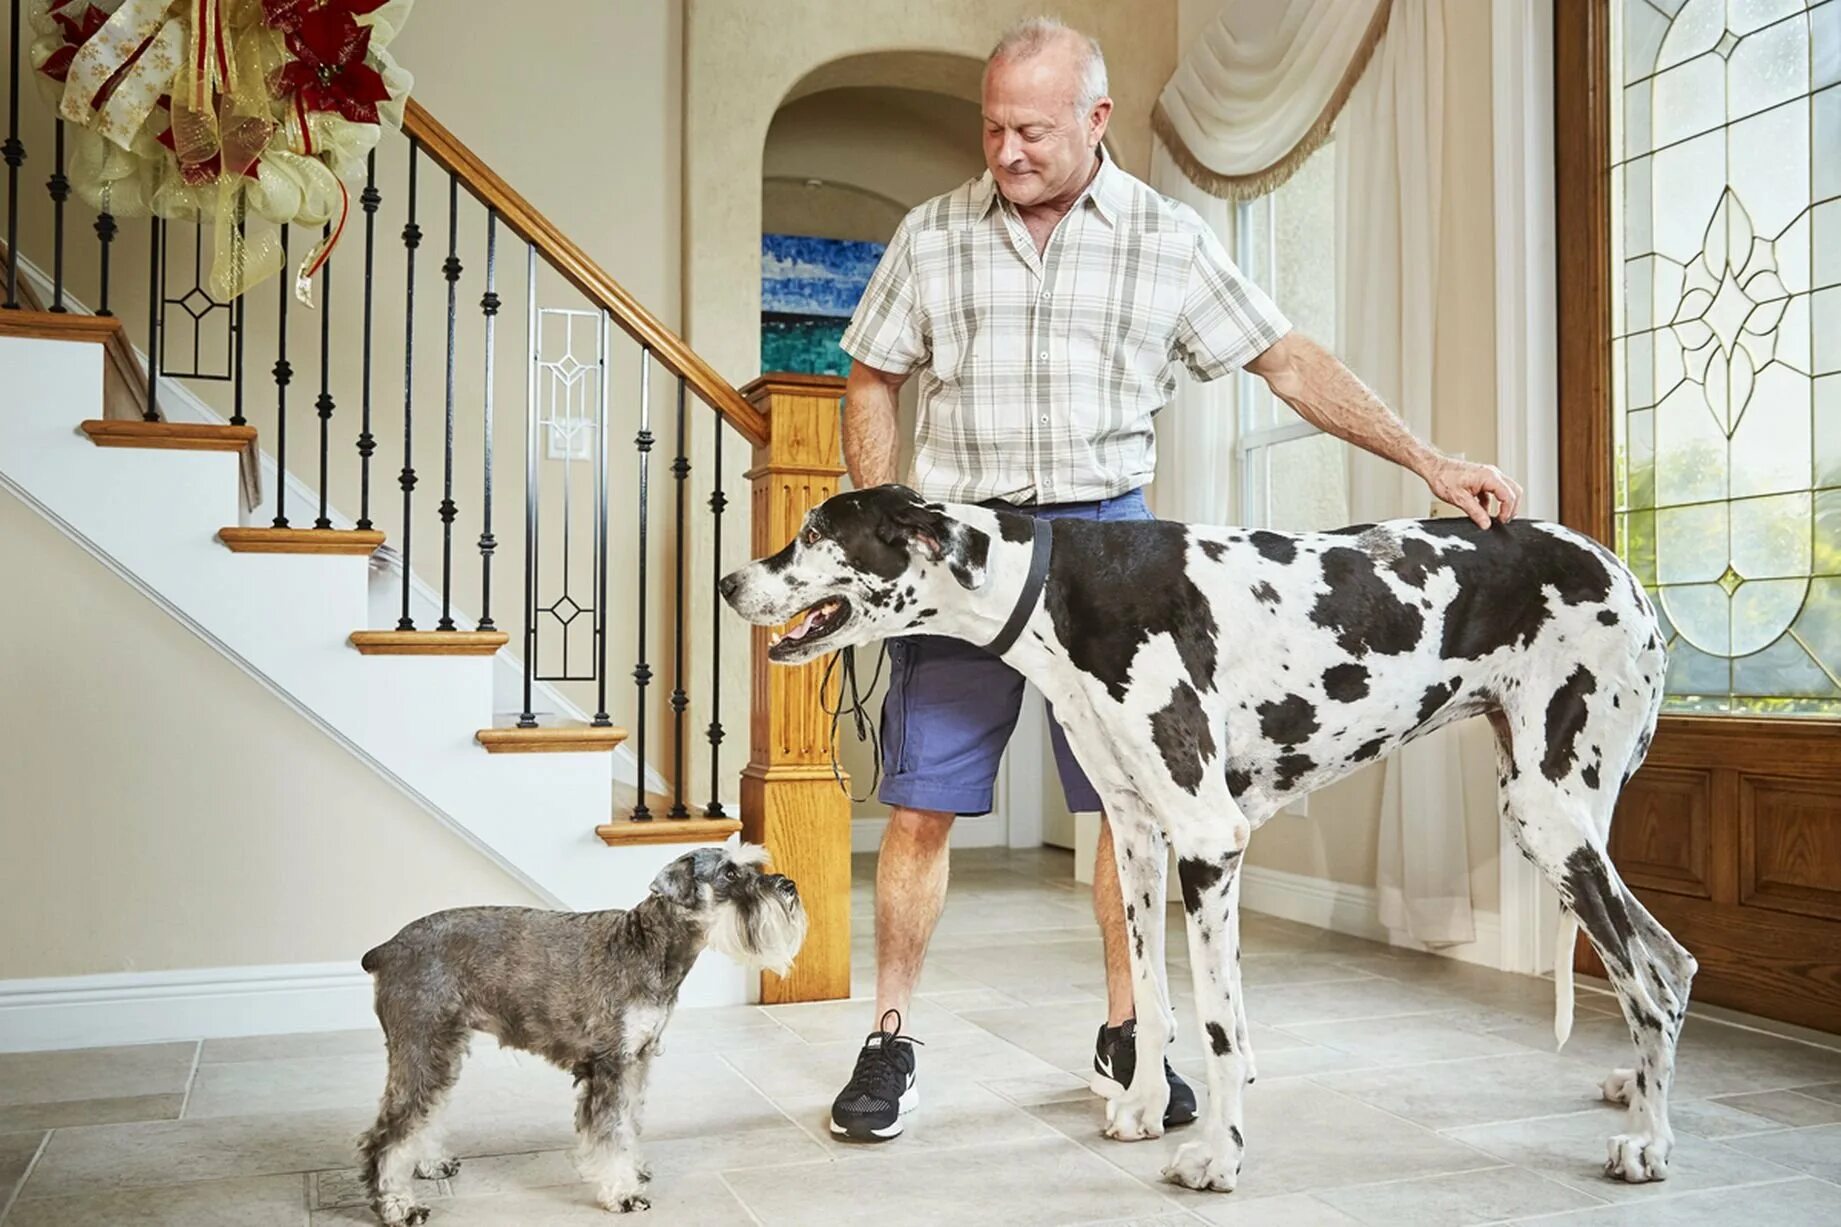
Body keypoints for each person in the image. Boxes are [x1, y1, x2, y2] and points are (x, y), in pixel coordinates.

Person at [826, 16, 1523, 1143]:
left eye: (1032, 131)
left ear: (1096, 121)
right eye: (993, 128)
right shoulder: (932, 233)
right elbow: (869, 375)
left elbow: (1285, 358)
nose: (1006, 152)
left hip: (1113, 554)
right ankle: (890, 1036)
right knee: (918, 803)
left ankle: (1129, 1031)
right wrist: (885, 516)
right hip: (963, 552)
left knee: (1128, 811)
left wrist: (1428, 462)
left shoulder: (1166, 238)